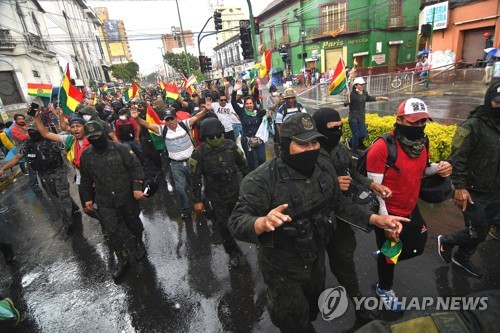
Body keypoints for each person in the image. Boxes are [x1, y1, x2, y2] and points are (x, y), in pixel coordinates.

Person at [229, 113, 409, 332]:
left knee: (312, 309)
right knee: (294, 320)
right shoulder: (262, 179)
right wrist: (260, 223)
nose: (311, 149)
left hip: (316, 261)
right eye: (303, 144)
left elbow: (339, 204)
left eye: (314, 142)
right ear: (286, 144)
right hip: (282, 270)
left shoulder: (323, 168)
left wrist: (376, 219)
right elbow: (237, 221)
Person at [366, 98, 452, 312]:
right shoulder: (382, 147)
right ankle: (384, 288)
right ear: (399, 119)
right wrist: (386, 224)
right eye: (414, 123)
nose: (419, 127)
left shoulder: (423, 143)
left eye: (423, 122)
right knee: (390, 255)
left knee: (417, 246)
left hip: (411, 207)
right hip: (388, 213)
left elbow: (421, 169)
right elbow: (375, 191)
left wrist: (438, 169)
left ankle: (385, 256)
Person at [312, 107, 392, 323]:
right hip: (313, 223)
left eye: (340, 127)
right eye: (332, 128)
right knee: (313, 272)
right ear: (319, 130)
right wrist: (330, 185)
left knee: (345, 264)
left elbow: (352, 173)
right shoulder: (306, 152)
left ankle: (359, 306)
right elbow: (299, 186)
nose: (338, 132)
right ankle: (310, 309)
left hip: (340, 217)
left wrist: (371, 184)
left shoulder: (339, 149)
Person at [437, 81, 500, 278]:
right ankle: (446, 241)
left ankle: (462, 257)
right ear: (489, 100)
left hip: (495, 190)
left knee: (482, 231)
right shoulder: (472, 125)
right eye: (497, 102)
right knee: (476, 232)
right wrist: (460, 187)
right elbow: (457, 158)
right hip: (473, 190)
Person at [79, 121, 147, 280]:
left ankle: (138, 242)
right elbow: (86, 180)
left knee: (133, 223)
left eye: (97, 135)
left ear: (103, 133)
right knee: (111, 231)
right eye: (91, 137)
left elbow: (136, 168)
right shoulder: (87, 155)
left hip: (126, 196)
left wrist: (137, 187)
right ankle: (122, 259)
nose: (95, 139)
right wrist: (87, 198)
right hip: (104, 200)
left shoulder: (121, 149)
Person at [0, 123, 80, 233]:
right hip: (44, 174)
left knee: (63, 195)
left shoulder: (51, 140)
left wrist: (78, 167)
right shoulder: (28, 144)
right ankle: (73, 207)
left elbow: (66, 153)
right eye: (30, 131)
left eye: (35, 130)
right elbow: (17, 158)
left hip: (58, 171)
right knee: (55, 193)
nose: (32, 132)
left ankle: (67, 221)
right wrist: (3, 168)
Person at [189, 118, 248, 268]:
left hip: (236, 192)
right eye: (211, 137)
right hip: (217, 198)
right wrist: (197, 200)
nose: (215, 139)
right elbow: (195, 179)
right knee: (224, 226)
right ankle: (232, 252)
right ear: (204, 137)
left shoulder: (231, 146)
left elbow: (243, 166)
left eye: (217, 135)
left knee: (242, 219)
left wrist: (250, 186)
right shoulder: (198, 154)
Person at [130, 106, 208, 219]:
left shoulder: (184, 124)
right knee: (180, 189)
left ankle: (201, 204)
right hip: (176, 164)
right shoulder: (163, 130)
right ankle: (185, 210)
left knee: (196, 185)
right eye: (167, 120)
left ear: (176, 118)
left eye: (172, 119)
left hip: (191, 162)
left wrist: (206, 110)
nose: (170, 122)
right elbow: (148, 125)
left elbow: (196, 117)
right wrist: (137, 119)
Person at [344, 77, 389, 157]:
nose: (362, 86)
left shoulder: (364, 93)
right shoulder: (352, 94)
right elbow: (345, 104)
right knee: (356, 134)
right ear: (355, 85)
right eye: (360, 85)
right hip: (353, 117)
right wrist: (347, 96)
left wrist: (382, 98)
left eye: (363, 84)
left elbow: (371, 98)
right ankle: (354, 153)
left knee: (363, 134)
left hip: (361, 117)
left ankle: (350, 141)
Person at [231, 82, 267, 171]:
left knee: (262, 159)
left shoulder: (258, 113)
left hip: (258, 139)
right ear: (244, 105)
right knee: (251, 162)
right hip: (246, 140)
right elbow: (233, 102)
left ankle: (262, 175)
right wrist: (234, 90)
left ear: (253, 104)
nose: (249, 105)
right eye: (247, 103)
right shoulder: (242, 112)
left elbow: (265, 123)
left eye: (250, 103)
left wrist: (267, 117)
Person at [10, 114, 39, 190]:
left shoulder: (27, 125)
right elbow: (21, 137)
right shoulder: (14, 129)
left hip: (33, 147)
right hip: (25, 150)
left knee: (39, 164)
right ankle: (34, 185)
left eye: (22, 118)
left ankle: (43, 182)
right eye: (19, 119)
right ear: (16, 120)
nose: (21, 120)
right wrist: (30, 133)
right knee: (31, 167)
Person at [266, 85, 283, 157]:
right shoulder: (269, 99)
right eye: (273, 91)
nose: (275, 92)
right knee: (276, 134)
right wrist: (278, 102)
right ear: (270, 92)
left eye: (275, 91)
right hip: (274, 118)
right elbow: (271, 108)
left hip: (281, 117)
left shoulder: (278, 96)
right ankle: (277, 149)